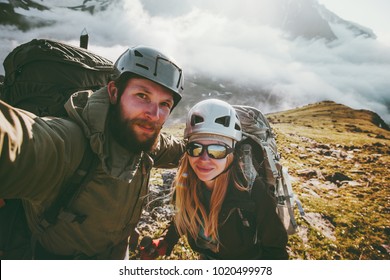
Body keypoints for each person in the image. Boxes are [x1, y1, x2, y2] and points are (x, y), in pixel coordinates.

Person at [0, 46, 186, 259]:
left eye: (165, 104)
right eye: (142, 95)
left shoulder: (143, 139)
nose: (154, 114)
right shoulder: (70, 143)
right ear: (114, 92)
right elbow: (17, 139)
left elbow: (184, 152)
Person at [141, 99, 288, 260]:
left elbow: (275, 249)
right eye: (195, 148)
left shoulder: (252, 189)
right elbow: (183, 215)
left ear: (232, 153)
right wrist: (166, 242)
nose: (204, 159)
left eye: (217, 150)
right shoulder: (187, 182)